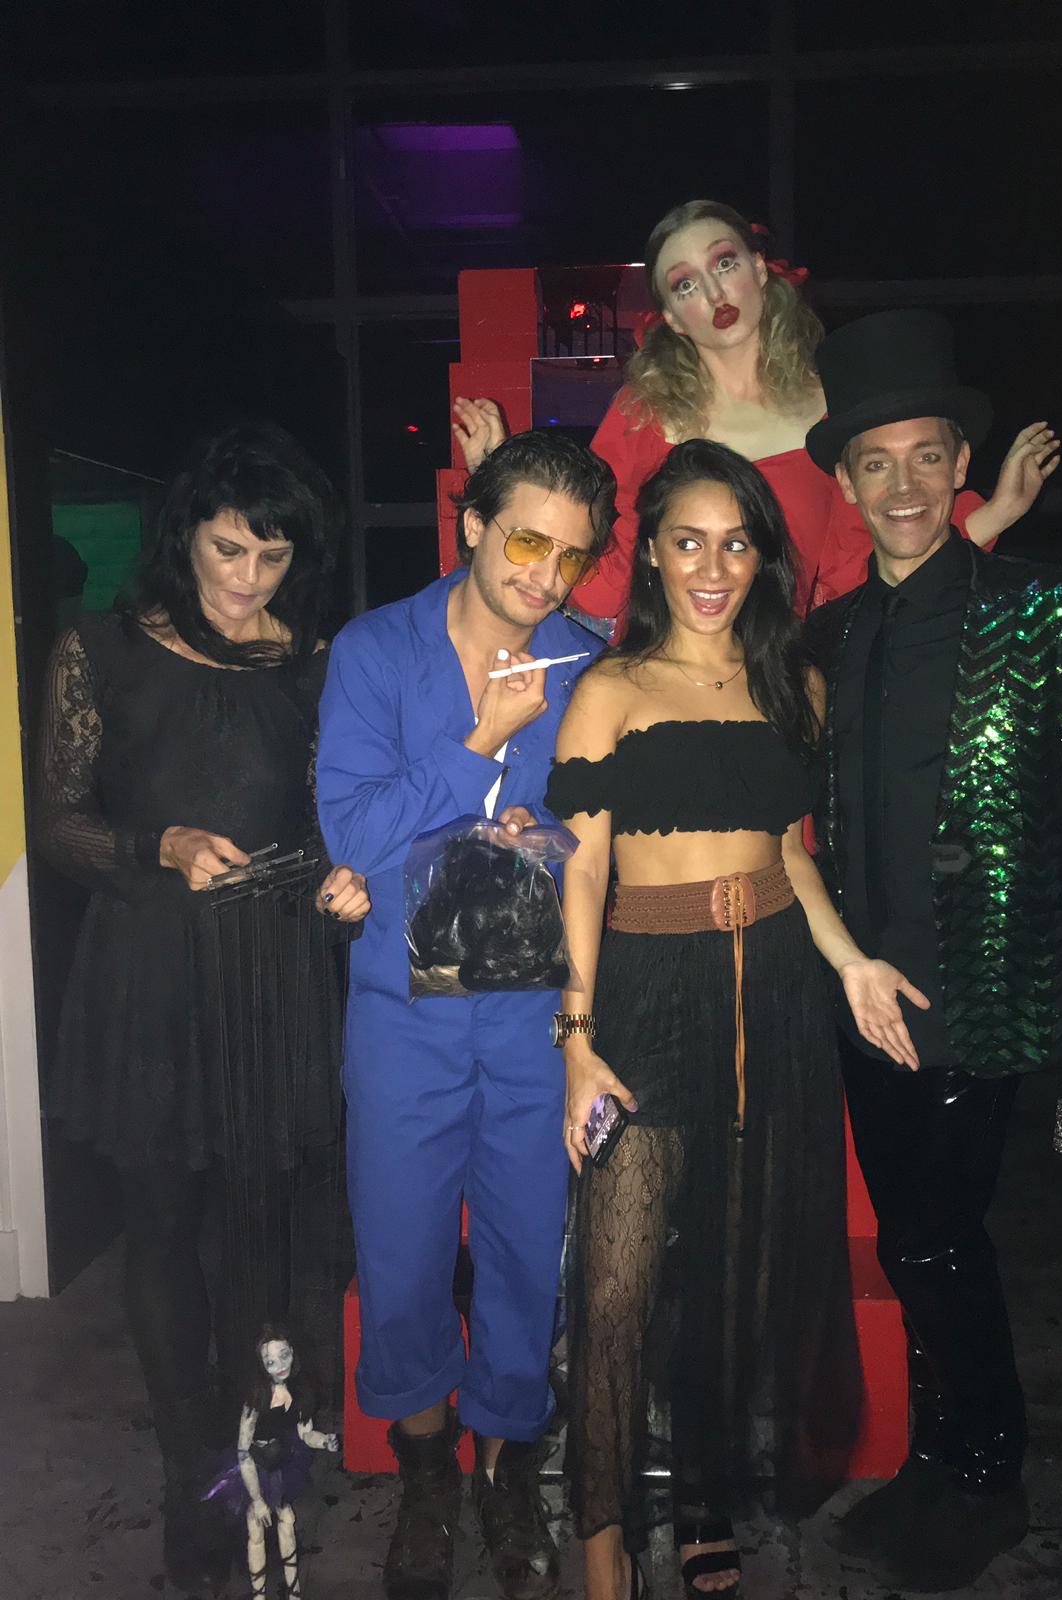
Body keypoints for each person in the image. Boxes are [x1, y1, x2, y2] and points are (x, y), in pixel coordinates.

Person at [803, 309, 1062, 1592]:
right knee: (915, 1239)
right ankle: (939, 1455)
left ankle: (986, 1473)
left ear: (962, 465)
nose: (902, 484)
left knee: (937, 1239)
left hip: (979, 980)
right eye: (876, 462)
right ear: (848, 483)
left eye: (925, 456)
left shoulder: (1040, 606)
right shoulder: (831, 635)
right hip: (864, 987)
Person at [546, 439, 932, 1600]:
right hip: (645, 988)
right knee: (614, 1287)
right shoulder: (610, 689)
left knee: (731, 1267)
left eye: (735, 543)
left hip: (772, 988)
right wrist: (576, 1038)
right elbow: (581, 869)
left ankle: (704, 1497)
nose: (712, 568)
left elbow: (791, 855)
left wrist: (850, 962)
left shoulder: (789, 684)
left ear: (762, 556)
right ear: (651, 556)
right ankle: (602, 1541)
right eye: (688, 542)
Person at [34, 421, 368, 1591]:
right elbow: (57, 822)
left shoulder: (315, 661)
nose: (248, 578)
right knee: (165, 1224)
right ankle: (192, 1478)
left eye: (273, 557)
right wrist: (158, 844)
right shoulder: (102, 648)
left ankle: (254, 1442)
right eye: (230, 549)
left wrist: (344, 874)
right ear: (186, 536)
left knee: (262, 1231)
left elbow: (334, 810)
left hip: (275, 970)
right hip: (152, 972)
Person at [316, 431, 615, 1600]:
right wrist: (479, 743)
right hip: (406, 1011)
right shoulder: (378, 649)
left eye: (572, 556)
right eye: (528, 541)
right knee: (399, 1251)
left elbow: (603, 830)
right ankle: (427, 1464)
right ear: (474, 522)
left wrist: (539, 833)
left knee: (526, 1250)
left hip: (534, 1003)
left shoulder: (587, 664)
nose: (547, 576)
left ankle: (506, 1465)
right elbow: (353, 830)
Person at [453, 198, 1059, 620]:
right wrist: (502, 477)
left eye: (725, 263)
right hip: (664, 687)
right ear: (671, 319)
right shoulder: (643, 416)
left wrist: (998, 511)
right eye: (686, 284)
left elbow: (861, 569)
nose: (715, 292)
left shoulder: (835, 409)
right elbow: (595, 581)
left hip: (793, 682)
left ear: (760, 271)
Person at [203, 1324, 339, 1600]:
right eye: (270, 1361)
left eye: (284, 1355)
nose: (280, 1365)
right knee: (256, 1528)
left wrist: (324, 1441)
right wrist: (256, 1499)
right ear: (261, 1366)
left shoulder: (299, 1393)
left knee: (287, 1519)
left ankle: (293, 1589)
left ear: (293, 1353)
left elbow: (305, 1434)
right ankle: (259, 1594)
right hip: (253, 1467)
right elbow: (243, 1451)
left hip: (281, 1462)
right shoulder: (256, 1401)